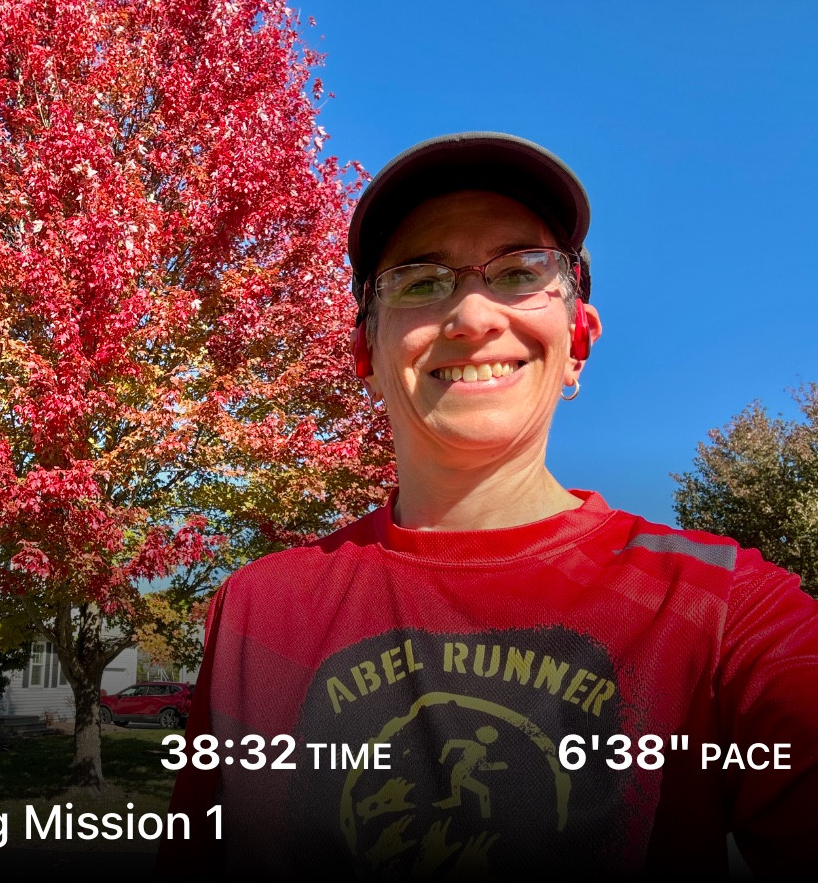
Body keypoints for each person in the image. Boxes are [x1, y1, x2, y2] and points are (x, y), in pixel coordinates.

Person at [163, 132, 818, 877]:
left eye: (518, 271)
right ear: (364, 357)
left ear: (577, 341)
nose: (472, 315)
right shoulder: (255, 612)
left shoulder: (724, 610)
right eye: (417, 279)